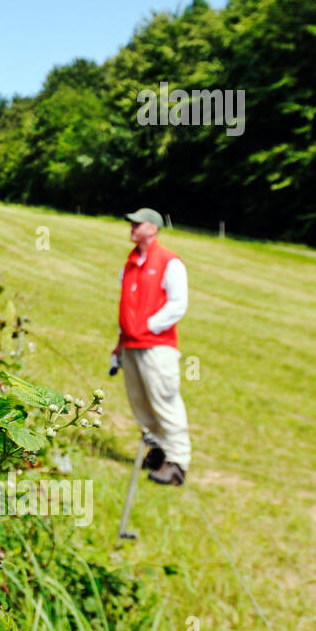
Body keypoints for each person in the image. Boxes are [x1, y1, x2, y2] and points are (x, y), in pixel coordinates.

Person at [111, 208, 191, 485]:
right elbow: (126, 305)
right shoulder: (131, 262)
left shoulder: (169, 262)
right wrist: (120, 343)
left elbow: (177, 304)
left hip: (157, 346)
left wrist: (148, 325)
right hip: (132, 344)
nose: (132, 227)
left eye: (138, 223)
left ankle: (178, 461)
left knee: (164, 401)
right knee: (140, 402)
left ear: (153, 228)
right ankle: (157, 450)